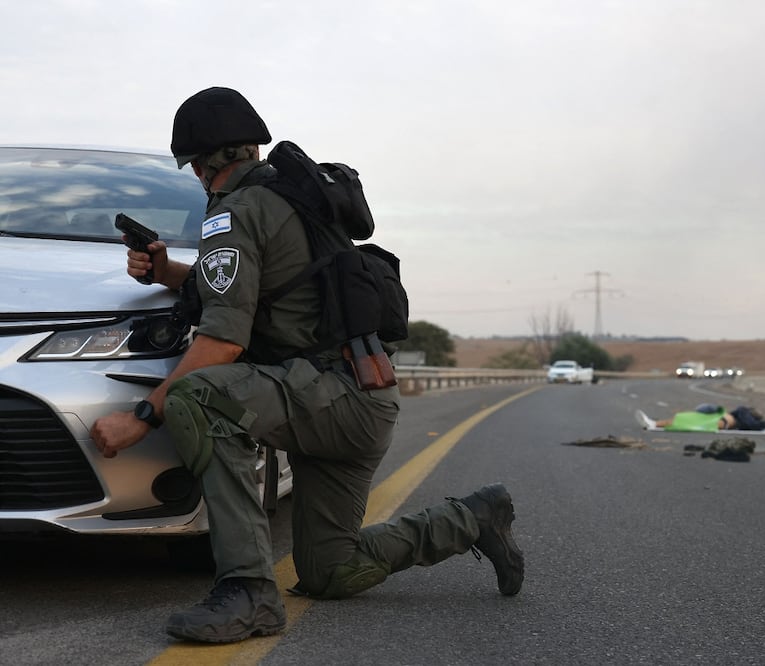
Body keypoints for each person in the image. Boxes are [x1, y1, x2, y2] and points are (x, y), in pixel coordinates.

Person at [89, 86, 524, 644]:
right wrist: (168, 271)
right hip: (361, 398)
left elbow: (220, 343)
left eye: (194, 166)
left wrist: (142, 418)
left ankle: (248, 591)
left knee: (195, 396)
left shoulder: (235, 212)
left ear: (203, 165)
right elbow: (256, 288)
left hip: (328, 398)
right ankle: (473, 518)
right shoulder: (289, 198)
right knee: (331, 571)